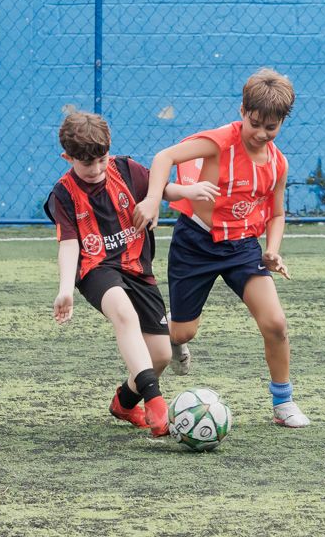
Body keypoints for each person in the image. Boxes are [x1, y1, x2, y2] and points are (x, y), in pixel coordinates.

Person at [132, 68, 311, 428]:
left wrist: (272, 250)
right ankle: (162, 346)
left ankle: (283, 402)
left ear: (282, 123)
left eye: (271, 127)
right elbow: (164, 158)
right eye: (255, 122)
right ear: (242, 111)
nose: (261, 133)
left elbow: (276, 214)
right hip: (195, 244)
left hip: (243, 248)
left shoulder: (278, 163)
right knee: (181, 333)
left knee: (275, 323)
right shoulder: (219, 142)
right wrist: (153, 200)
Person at [47, 111, 217, 437]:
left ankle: (124, 403)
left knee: (161, 355)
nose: (96, 170)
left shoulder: (125, 169)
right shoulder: (64, 194)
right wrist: (65, 288)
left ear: (109, 150)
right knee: (124, 316)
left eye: (101, 160)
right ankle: (156, 402)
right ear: (67, 157)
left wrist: (187, 192)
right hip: (95, 269)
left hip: (138, 268)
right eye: (86, 164)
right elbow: (69, 244)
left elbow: (160, 188)